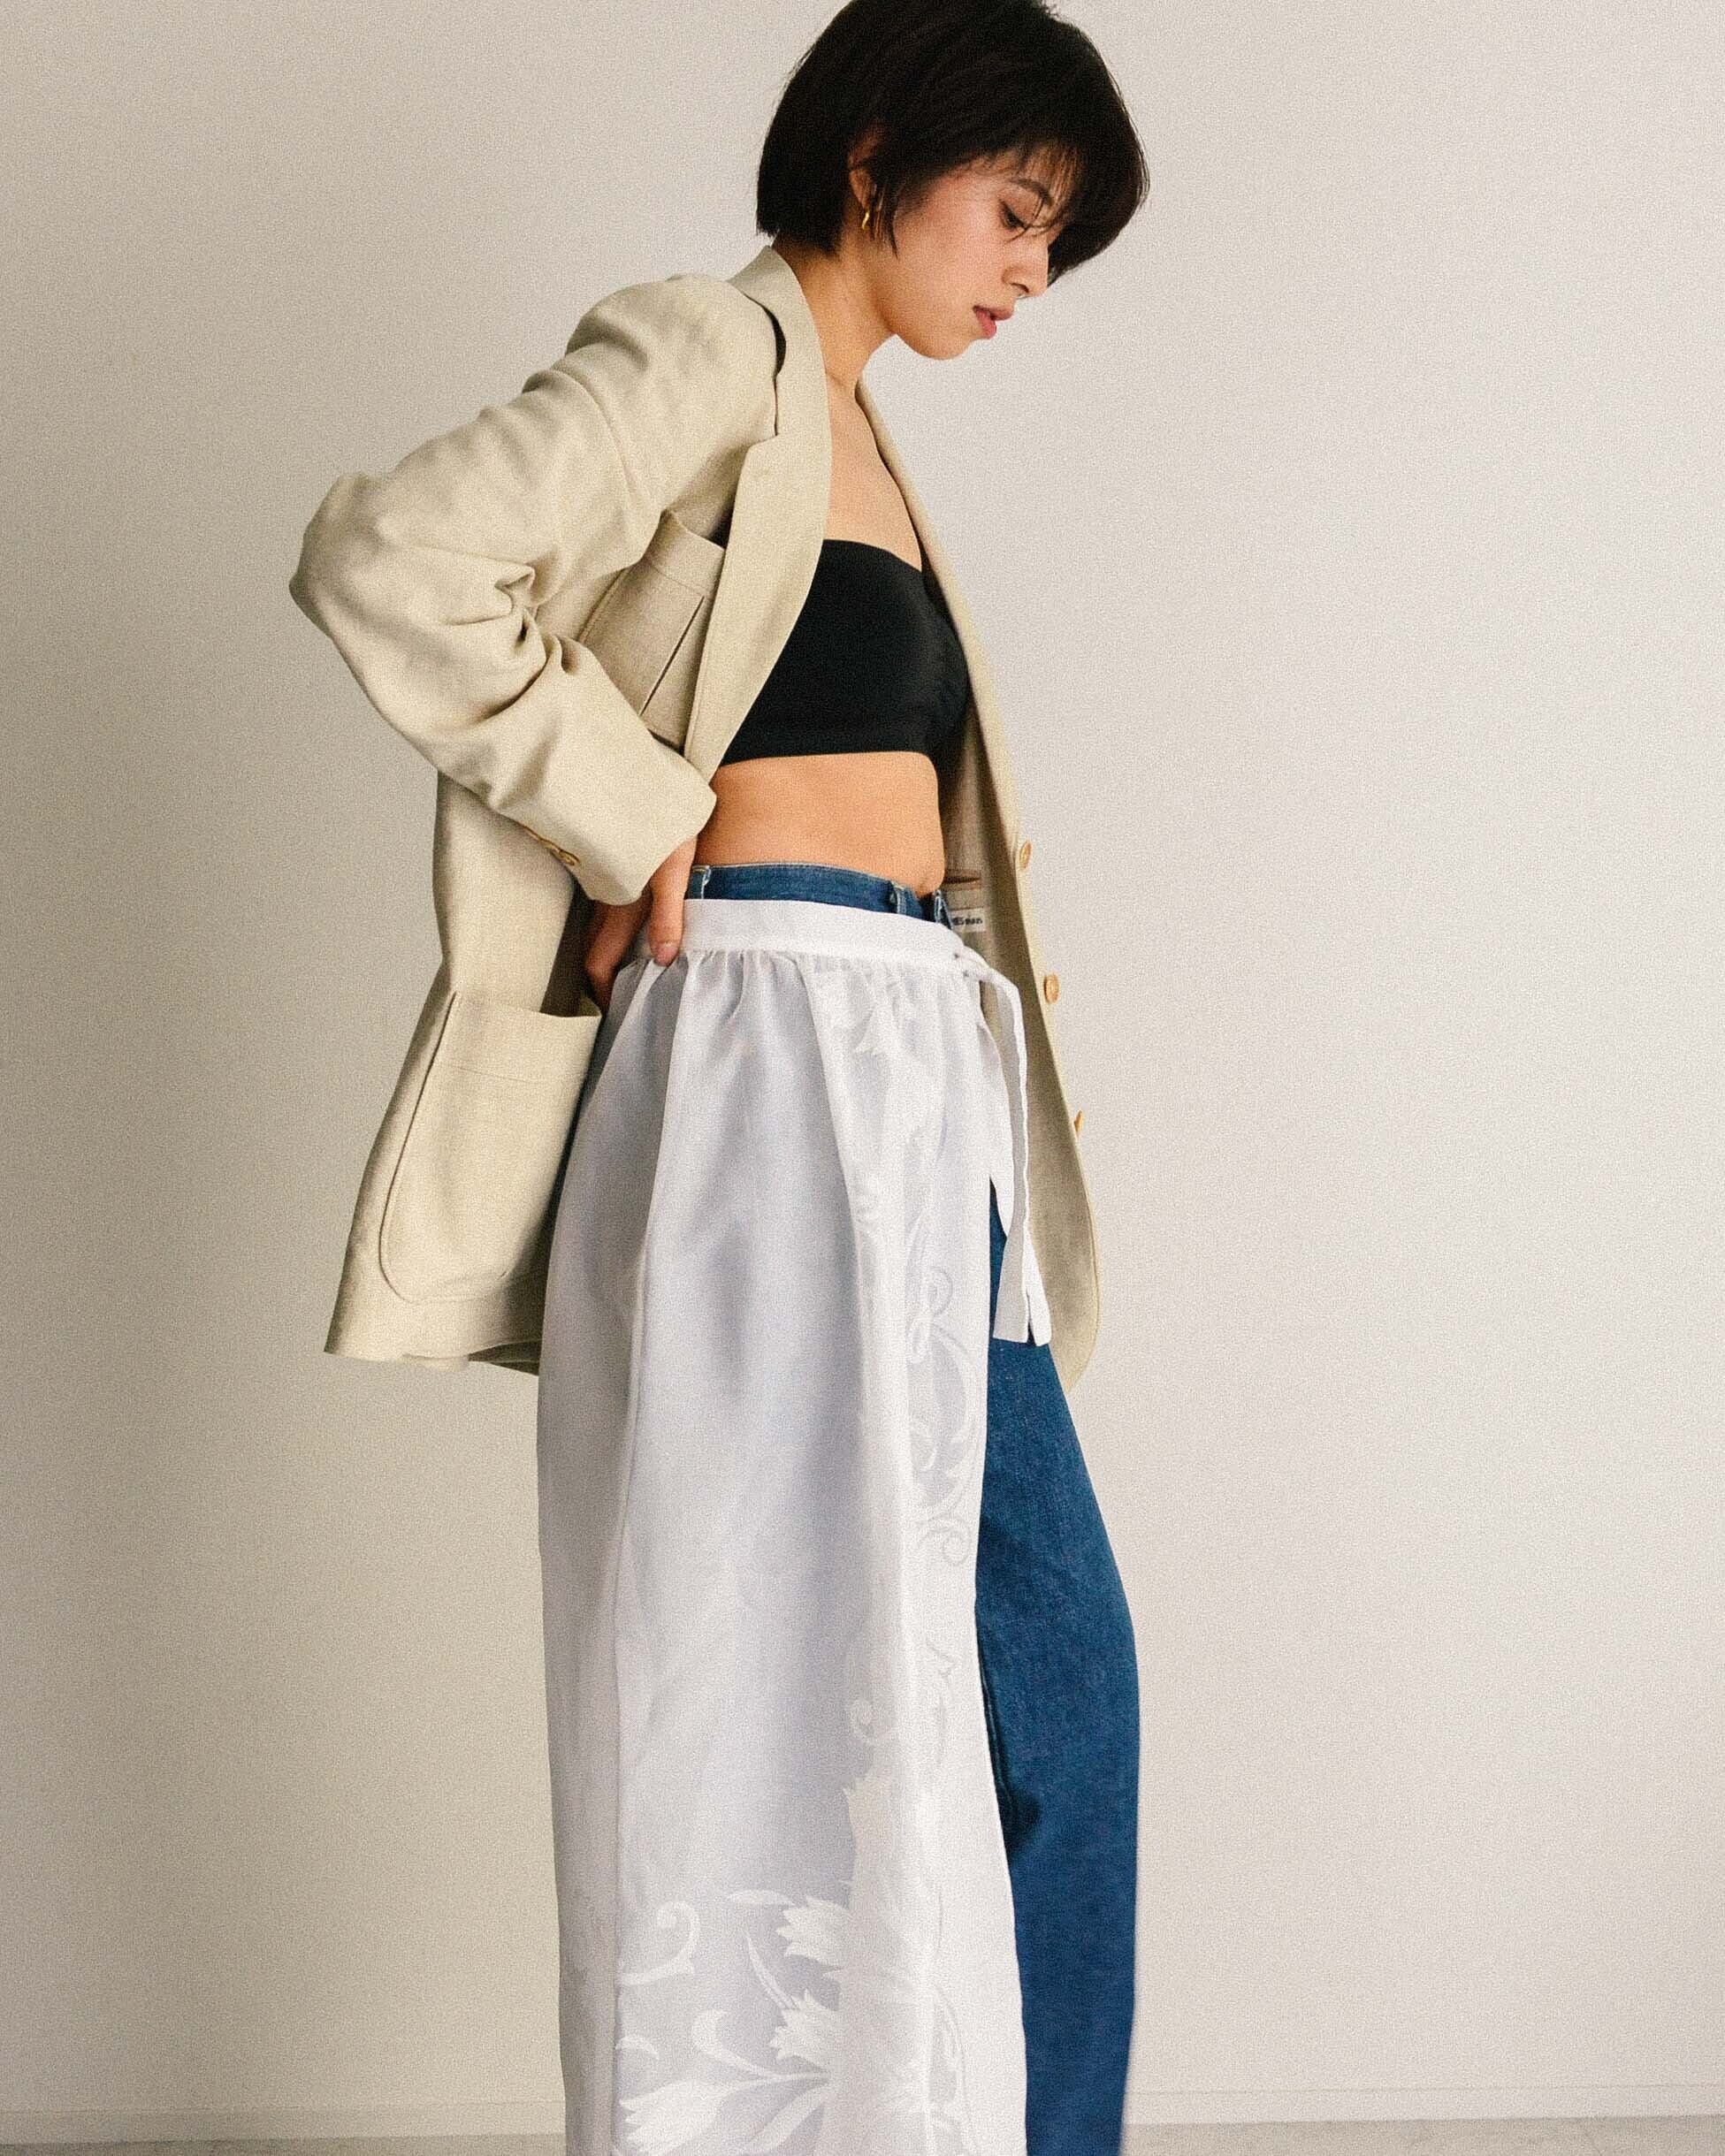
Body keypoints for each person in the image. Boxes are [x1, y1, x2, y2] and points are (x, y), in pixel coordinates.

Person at [291, 4, 1150, 2150]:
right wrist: (629, 812)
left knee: (1037, 1681)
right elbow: (393, 554)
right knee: (755, 1675)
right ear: (875, 158)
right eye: (1014, 209)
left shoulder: (860, 431)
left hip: (902, 1068)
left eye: (1054, 237)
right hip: (763, 1065)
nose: (1030, 271)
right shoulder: (711, 352)